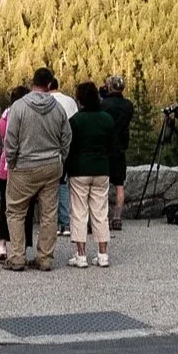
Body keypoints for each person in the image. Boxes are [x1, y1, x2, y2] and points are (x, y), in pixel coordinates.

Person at [3, 68, 71, 271]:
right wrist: (61, 157)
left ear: (33, 82)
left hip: (24, 165)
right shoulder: (58, 108)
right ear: (49, 85)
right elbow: (67, 136)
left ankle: (17, 256)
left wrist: (11, 161)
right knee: (49, 213)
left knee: (16, 211)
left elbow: (11, 138)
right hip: (51, 165)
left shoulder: (19, 107)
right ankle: (45, 258)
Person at [66, 82, 115, 268]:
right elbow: (112, 145)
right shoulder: (107, 119)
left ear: (80, 100)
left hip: (80, 169)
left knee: (79, 212)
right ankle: (103, 254)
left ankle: (81, 255)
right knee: (101, 212)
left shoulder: (75, 121)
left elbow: (69, 146)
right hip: (101, 167)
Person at [0, 83, 30, 263]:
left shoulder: (5, 115)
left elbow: (1, 133)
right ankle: (20, 246)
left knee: (5, 206)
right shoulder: (27, 114)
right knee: (24, 208)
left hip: (5, 166)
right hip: (23, 166)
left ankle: (1, 244)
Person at [100, 76, 135, 231]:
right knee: (119, 185)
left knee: (103, 186)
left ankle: (103, 218)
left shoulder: (104, 104)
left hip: (106, 147)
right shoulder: (128, 105)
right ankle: (117, 218)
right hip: (120, 148)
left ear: (110, 87)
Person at [51, 77, 78, 236]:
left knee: (49, 189)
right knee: (63, 184)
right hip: (67, 148)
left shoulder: (46, 102)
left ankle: (52, 224)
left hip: (49, 149)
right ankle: (66, 223)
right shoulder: (70, 101)